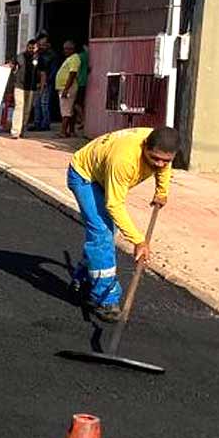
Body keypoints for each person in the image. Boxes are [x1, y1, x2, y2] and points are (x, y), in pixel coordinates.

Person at [66, 127, 178, 322]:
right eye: (154, 158)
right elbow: (114, 205)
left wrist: (162, 191)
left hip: (103, 173)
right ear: (145, 147)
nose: (159, 164)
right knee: (102, 233)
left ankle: (82, 279)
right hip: (84, 176)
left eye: (166, 160)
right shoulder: (124, 159)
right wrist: (138, 241)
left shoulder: (161, 144)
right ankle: (105, 299)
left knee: (106, 233)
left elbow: (164, 167)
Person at [10, 39, 38, 138]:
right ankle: (15, 131)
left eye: (33, 48)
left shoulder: (38, 58)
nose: (31, 50)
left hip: (31, 88)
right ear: (27, 47)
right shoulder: (20, 56)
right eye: (29, 48)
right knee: (19, 107)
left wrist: (42, 85)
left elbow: (42, 73)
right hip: (19, 86)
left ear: (36, 48)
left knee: (27, 110)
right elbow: (12, 66)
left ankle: (22, 129)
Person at [57, 40, 82, 138]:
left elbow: (72, 74)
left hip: (68, 88)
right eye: (64, 49)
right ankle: (71, 131)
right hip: (65, 87)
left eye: (68, 49)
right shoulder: (70, 59)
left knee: (65, 111)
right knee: (69, 110)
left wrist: (66, 89)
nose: (65, 51)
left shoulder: (74, 59)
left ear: (73, 49)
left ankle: (63, 132)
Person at [31, 34, 55, 132]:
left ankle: (45, 124)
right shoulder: (38, 55)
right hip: (38, 83)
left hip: (45, 83)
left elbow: (44, 72)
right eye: (40, 44)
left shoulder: (49, 55)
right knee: (37, 104)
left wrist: (43, 83)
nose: (41, 46)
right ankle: (37, 123)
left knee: (43, 104)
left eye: (43, 44)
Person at [72, 44, 90, 137]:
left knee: (76, 104)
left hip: (80, 82)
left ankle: (82, 120)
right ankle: (80, 120)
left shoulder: (80, 56)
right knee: (80, 103)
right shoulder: (88, 56)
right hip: (84, 81)